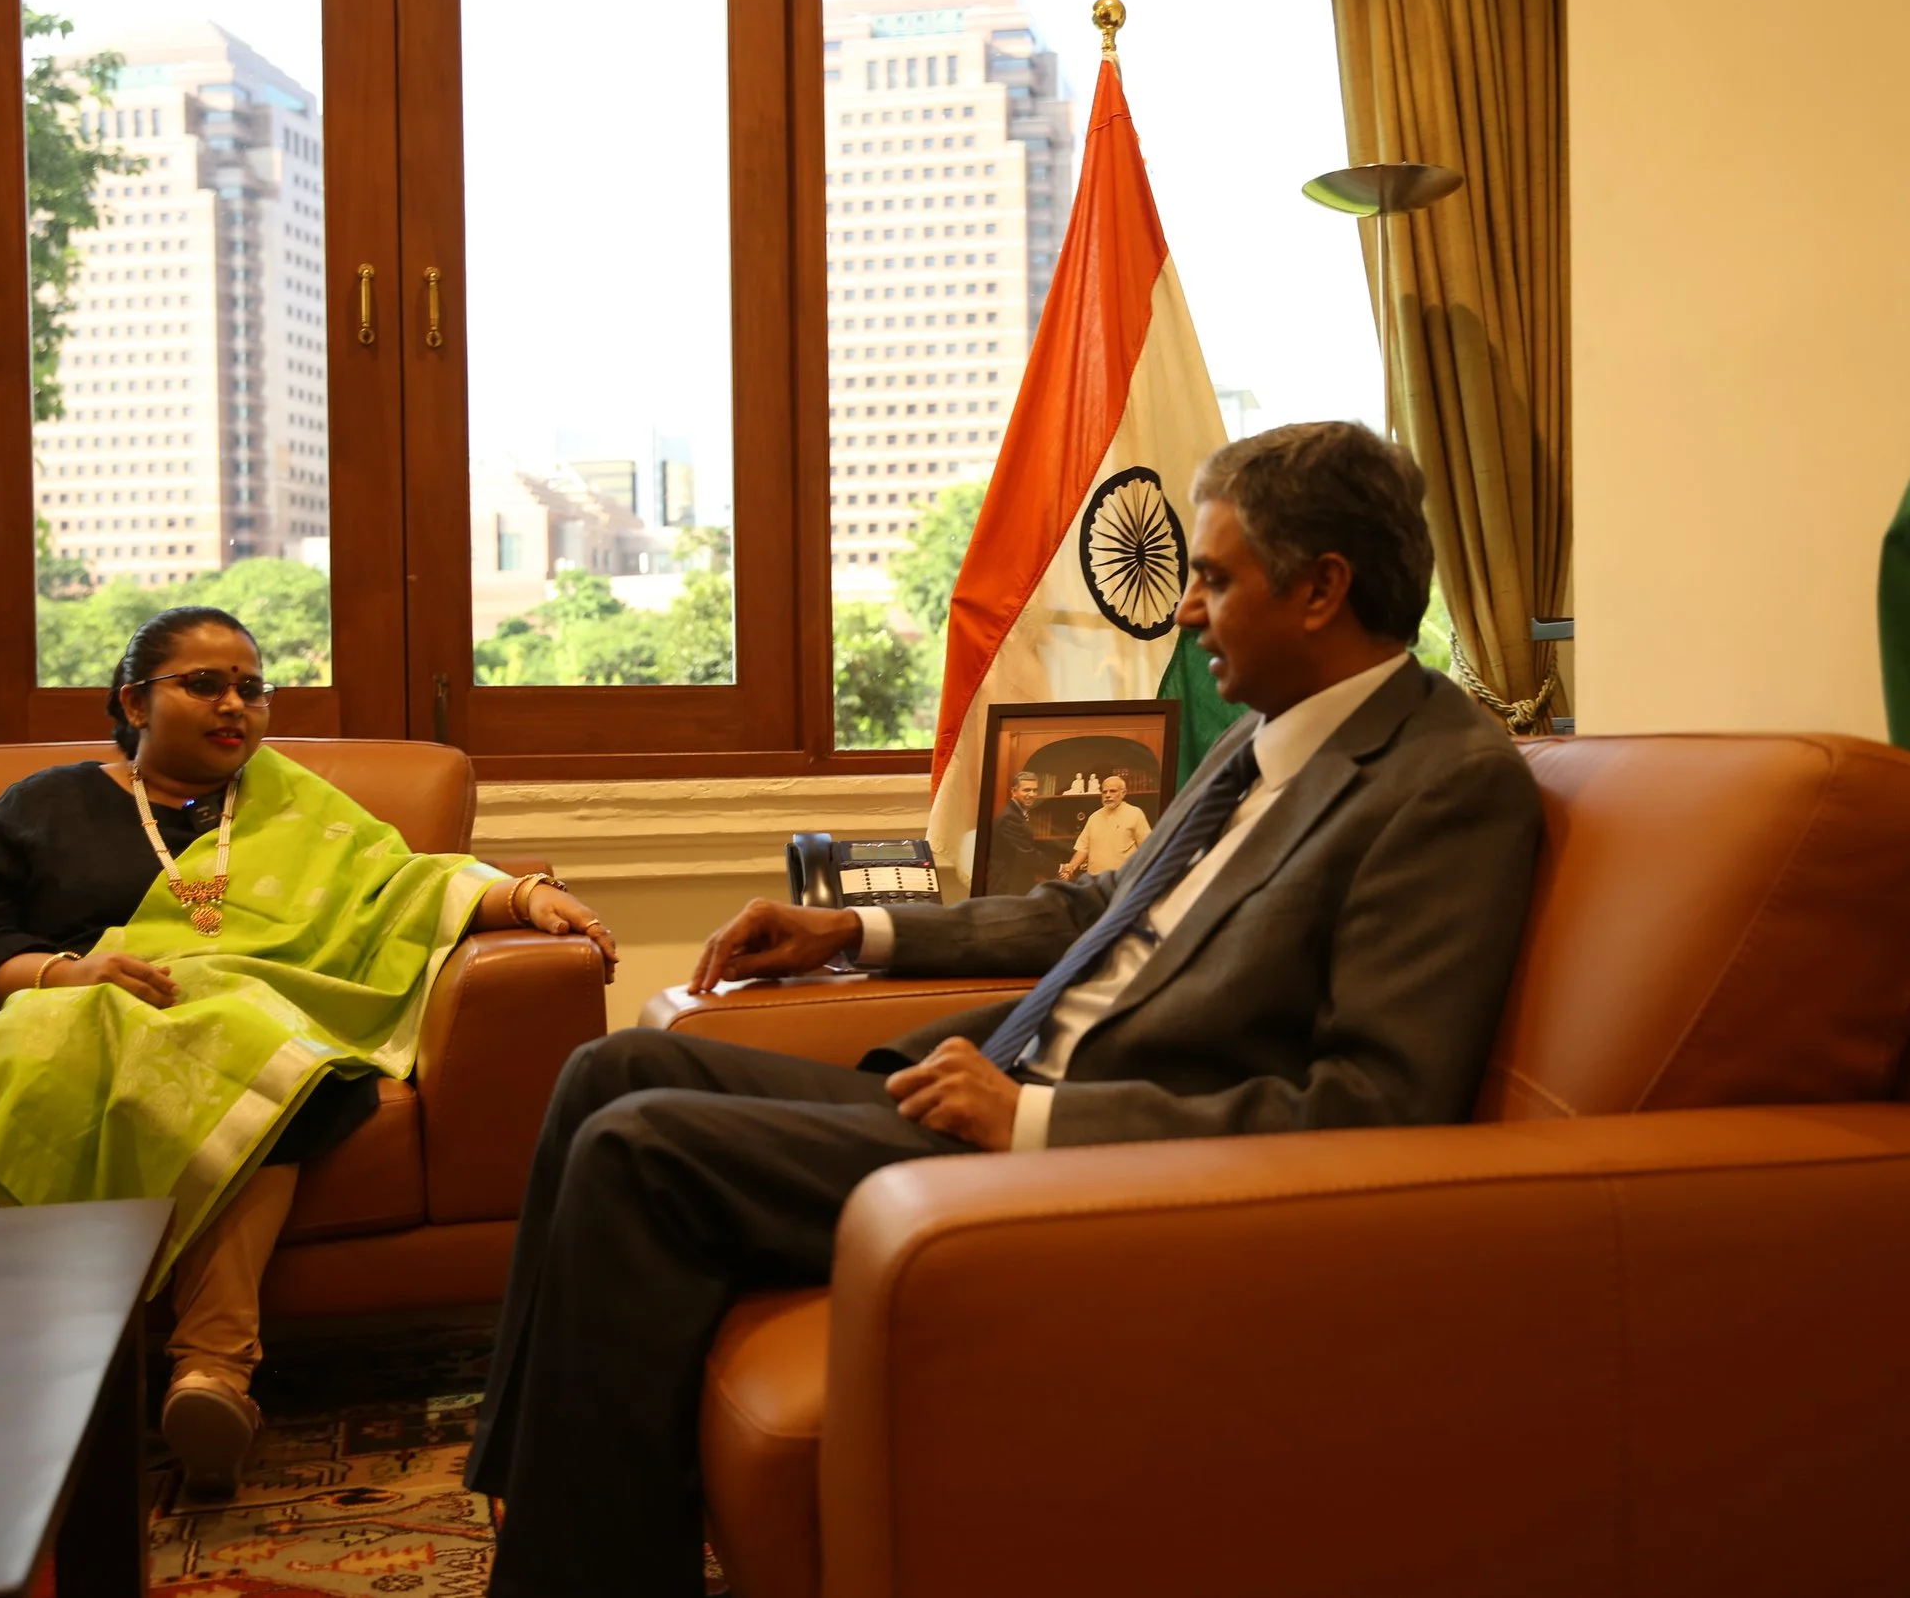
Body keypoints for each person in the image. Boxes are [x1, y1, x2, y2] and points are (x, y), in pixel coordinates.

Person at [467, 420, 1543, 1598]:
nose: (1183, 608)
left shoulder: (1446, 781)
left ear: (1322, 588)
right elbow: (1090, 904)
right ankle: (540, 1506)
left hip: (1094, 1163)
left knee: (640, 1147)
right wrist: (856, 929)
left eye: (1213, 576)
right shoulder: (1256, 742)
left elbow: (1377, 1105)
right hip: (995, 1084)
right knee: (611, 1070)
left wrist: (1030, 1123)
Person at [0, 606, 618, 1497]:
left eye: (251, 687)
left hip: (239, 1026)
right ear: (133, 700)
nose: (235, 703)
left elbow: (400, 881)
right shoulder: (42, 805)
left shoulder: (290, 802)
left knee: (271, 1057)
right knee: (224, 1051)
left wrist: (527, 896)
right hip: (66, 1015)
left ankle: (210, 1377)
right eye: (204, 684)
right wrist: (69, 975)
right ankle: (157, 1370)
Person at [1058, 770, 1152, 879]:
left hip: (1123, 881)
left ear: (1123, 793)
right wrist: (1070, 869)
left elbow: (1147, 849)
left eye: (1113, 791)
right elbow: (1083, 848)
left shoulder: (1135, 814)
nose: (1107, 795)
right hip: (1095, 882)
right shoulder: (1094, 818)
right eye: (1104, 792)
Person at [983, 769, 1048, 895]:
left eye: (1035, 790)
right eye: (1026, 790)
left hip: (1015, 882)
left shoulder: (1019, 813)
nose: (1032, 794)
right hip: (1005, 886)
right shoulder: (1009, 817)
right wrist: (1059, 868)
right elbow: (1027, 852)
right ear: (1014, 791)